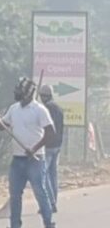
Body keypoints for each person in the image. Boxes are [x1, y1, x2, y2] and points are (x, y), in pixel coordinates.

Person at [0, 77, 58, 228]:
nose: (18, 95)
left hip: (35, 159)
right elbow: (2, 126)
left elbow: (50, 132)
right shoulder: (14, 109)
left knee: (40, 192)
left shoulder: (39, 110)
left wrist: (34, 148)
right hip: (18, 159)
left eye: (21, 92)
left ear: (29, 94)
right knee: (15, 194)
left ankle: (49, 226)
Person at [38, 84, 65, 213]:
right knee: (53, 175)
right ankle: (53, 201)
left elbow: (45, 128)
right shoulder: (59, 108)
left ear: (45, 96)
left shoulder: (45, 109)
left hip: (48, 146)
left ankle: (50, 203)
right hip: (57, 145)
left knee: (44, 175)